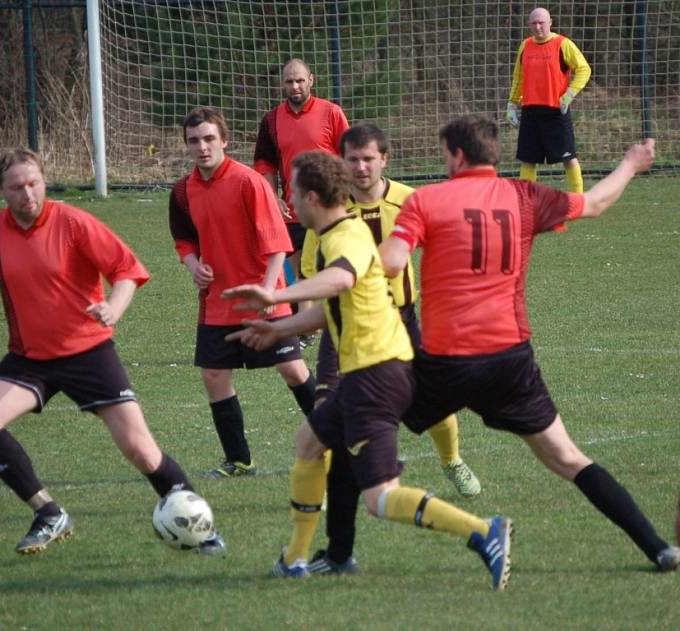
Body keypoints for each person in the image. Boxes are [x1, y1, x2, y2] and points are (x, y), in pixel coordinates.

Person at [0, 147, 224, 555]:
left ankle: (202, 530)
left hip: (88, 353)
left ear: (44, 181)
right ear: (1, 192)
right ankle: (48, 513)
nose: (28, 194)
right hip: (29, 359)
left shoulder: (73, 222)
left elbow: (126, 271)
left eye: (34, 183)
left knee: (140, 450)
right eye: (17, 187)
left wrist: (112, 308)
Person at [379, 114, 680, 572]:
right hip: (508, 360)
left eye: (444, 154)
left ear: (458, 155)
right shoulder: (525, 195)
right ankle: (657, 548)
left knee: (354, 424)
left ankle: (334, 551)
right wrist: (630, 164)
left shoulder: (426, 200)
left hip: (445, 362)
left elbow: (392, 262)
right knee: (568, 459)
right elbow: (595, 202)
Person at [223, 151, 513, 590]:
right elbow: (332, 307)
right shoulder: (339, 231)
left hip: (376, 375)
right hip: (370, 371)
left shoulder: (344, 239)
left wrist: (274, 295)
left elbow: (341, 281)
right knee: (309, 442)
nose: (291, 203)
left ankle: (482, 531)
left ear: (312, 197)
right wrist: (276, 327)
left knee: (380, 498)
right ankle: (297, 558)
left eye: (294, 193)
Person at [298, 124, 482, 575]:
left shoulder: (409, 199)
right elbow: (311, 272)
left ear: (385, 159)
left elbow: (444, 247)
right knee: (324, 416)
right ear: (341, 162)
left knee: (433, 404)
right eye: (352, 160)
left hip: (400, 320)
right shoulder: (325, 210)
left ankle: (451, 460)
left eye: (368, 159)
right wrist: (300, 317)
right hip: (342, 323)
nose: (360, 168)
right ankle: (323, 520)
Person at [169, 106, 316, 479]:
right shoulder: (183, 192)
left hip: (264, 295)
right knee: (214, 376)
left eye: (209, 139)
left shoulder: (248, 182)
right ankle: (239, 460)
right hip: (218, 302)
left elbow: (278, 245)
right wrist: (193, 266)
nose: (202, 147)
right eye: (194, 141)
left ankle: (339, 438)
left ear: (224, 141)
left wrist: (268, 292)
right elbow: (184, 239)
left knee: (293, 369)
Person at [254, 58, 350, 339]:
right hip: (294, 208)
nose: (294, 86)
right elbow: (264, 164)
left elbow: (347, 156)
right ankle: (307, 328)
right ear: (282, 84)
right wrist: (273, 197)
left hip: (331, 207)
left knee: (335, 264)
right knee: (297, 267)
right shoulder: (271, 120)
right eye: (289, 82)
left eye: (299, 80)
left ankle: (340, 318)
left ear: (311, 80)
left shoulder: (332, 113)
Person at [506, 7, 591, 193]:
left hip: (556, 110)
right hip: (530, 110)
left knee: (569, 157)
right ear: (529, 25)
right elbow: (518, 77)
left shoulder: (563, 44)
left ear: (550, 22)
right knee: (528, 159)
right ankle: (526, 200)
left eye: (541, 23)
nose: (538, 27)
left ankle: (577, 199)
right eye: (534, 23)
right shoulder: (525, 45)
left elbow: (584, 69)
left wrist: (569, 95)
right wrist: (512, 103)